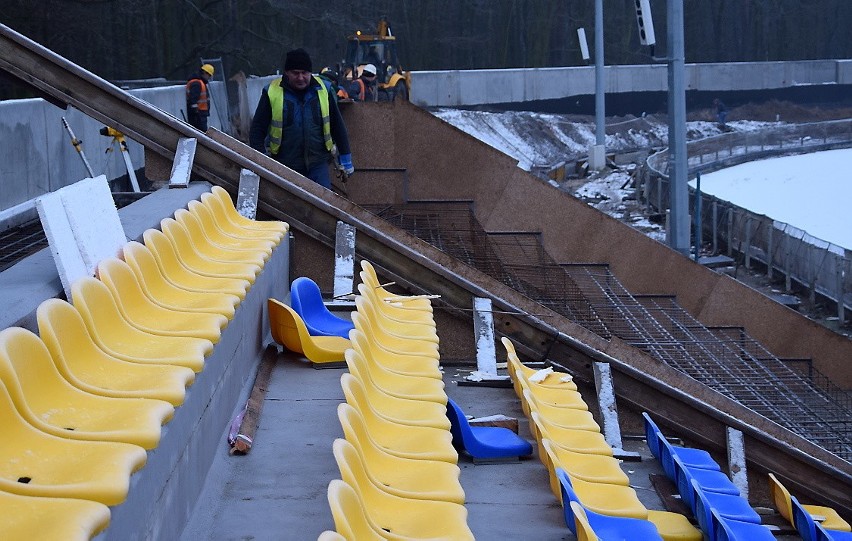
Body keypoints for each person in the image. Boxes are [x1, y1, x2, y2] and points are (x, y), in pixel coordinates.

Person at [249, 48, 353, 188]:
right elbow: (257, 128)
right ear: (286, 73)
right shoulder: (272, 92)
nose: (300, 78)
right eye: (295, 73)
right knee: (288, 207)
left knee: (321, 206)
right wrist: (259, 158)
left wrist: (345, 157)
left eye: (304, 73)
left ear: (310, 72)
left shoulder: (324, 91)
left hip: (318, 164)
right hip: (284, 164)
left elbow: (337, 125)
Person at [186, 64, 214, 131]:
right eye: (209, 75)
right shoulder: (197, 83)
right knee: (201, 134)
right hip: (199, 115)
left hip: (200, 114)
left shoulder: (199, 82)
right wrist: (196, 113)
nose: (209, 78)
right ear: (204, 73)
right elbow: (193, 100)